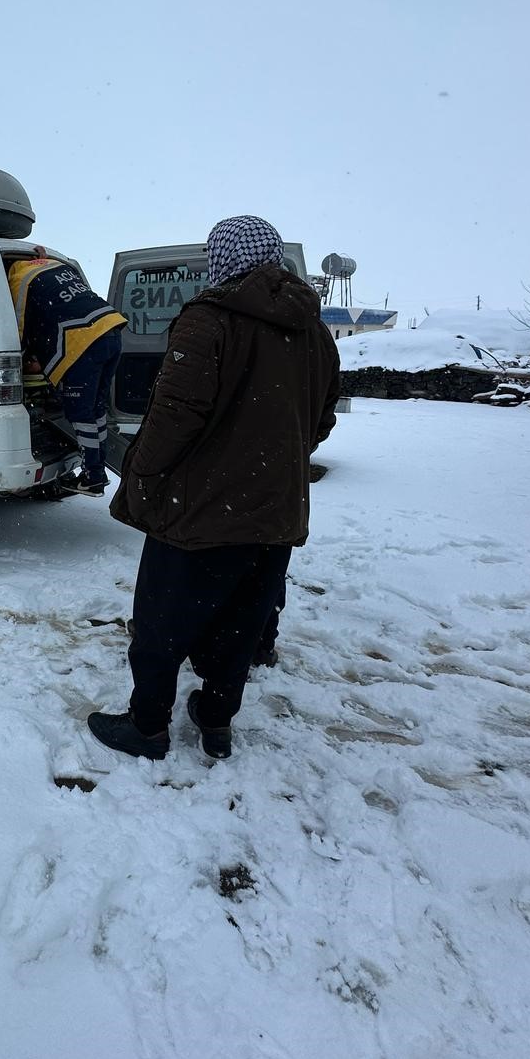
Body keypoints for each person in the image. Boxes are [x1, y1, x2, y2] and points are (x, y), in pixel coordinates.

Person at [89, 215, 340, 760]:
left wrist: (141, 471)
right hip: (275, 513)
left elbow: (174, 415)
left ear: (220, 258)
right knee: (241, 622)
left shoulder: (210, 320)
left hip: (200, 509)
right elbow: (321, 421)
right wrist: (273, 462)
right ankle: (216, 719)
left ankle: (148, 726)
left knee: (160, 622)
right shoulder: (314, 330)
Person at [8, 253, 126, 494]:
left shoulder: (19, 279)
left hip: (84, 340)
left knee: (80, 411)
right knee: (96, 407)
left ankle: (93, 475)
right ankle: (96, 467)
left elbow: (18, 323)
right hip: (111, 328)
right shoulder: (52, 265)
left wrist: (18, 355)